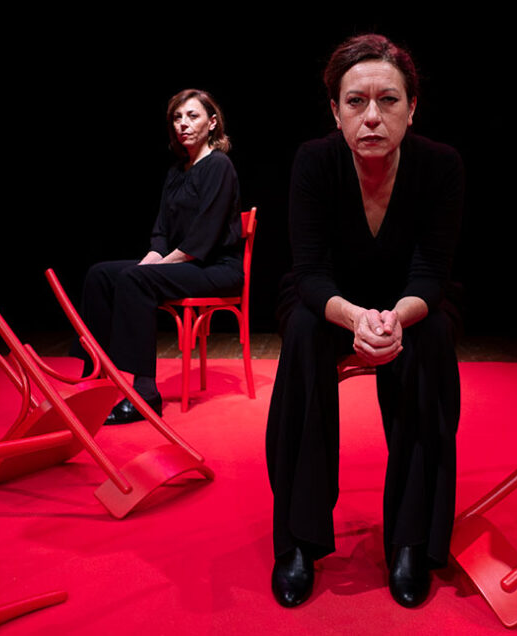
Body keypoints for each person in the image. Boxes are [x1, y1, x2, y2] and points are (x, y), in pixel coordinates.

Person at [267, 34, 464, 609]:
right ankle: (299, 539)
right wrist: (355, 318)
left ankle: (410, 539)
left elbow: (431, 271)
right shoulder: (313, 160)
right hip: (330, 300)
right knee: (303, 333)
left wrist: (395, 319)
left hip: (413, 300)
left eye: (389, 101)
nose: (372, 117)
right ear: (335, 110)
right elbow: (309, 269)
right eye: (355, 102)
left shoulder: (441, 165)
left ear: (412, 107)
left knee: (430, 342)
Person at [74, 89, 243, 424]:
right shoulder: (176, 172)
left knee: (135, 280)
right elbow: (162, 233)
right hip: (185, 264)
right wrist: (150, 261)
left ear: (212, 123)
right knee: (100, 274)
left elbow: (203, 237)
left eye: (192, 116)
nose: (183, 124)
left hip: (217, 268)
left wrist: (152, 270)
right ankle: (97, 375)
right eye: (177, 118)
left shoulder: (219, 166)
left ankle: (145, 395)